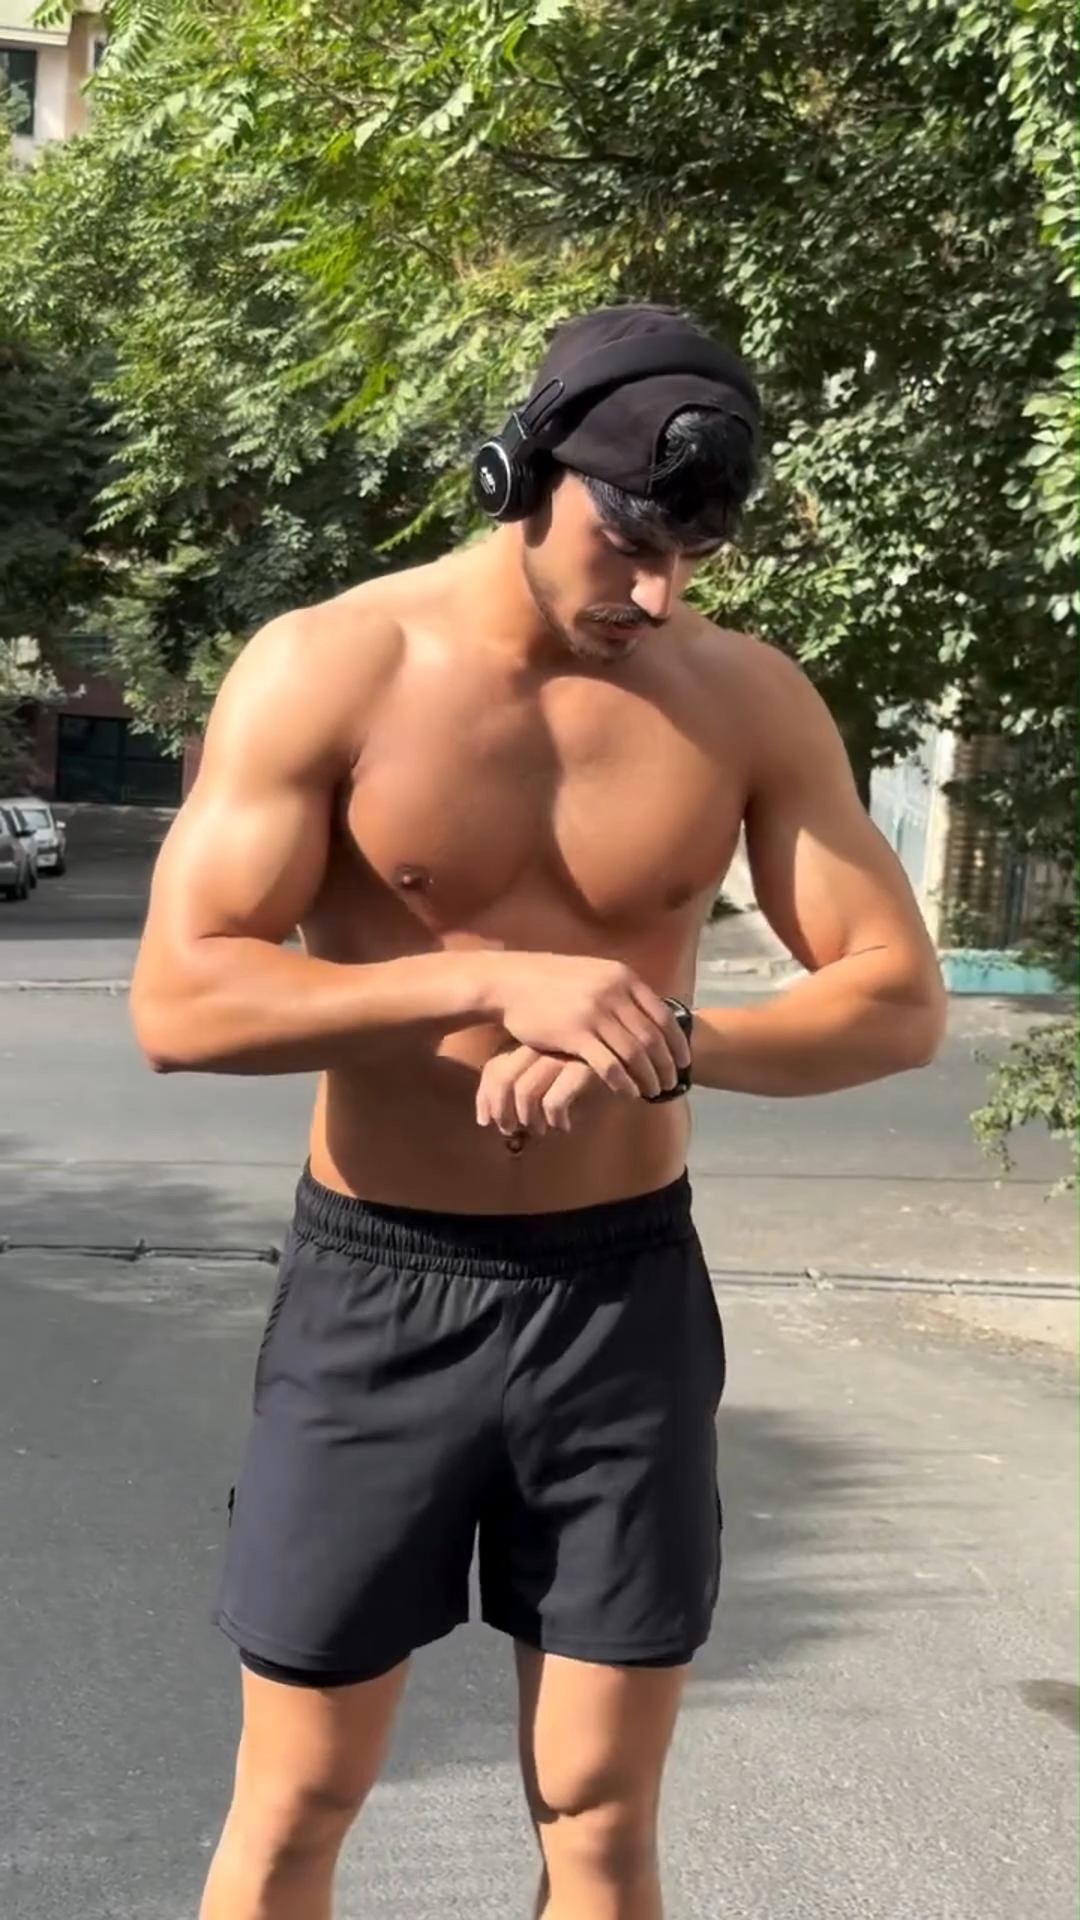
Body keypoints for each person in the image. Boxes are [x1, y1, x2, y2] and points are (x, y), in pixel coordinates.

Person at [130, 303, 946, 1920]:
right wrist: (495, 978)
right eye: (627, 543)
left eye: (693, 558)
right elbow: (182, 1002)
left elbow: (897, 1002)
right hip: (378, 1292)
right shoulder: (331, 666)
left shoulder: (743, 700)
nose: (657, 594)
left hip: (619, 1302)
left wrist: (660, 1040)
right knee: (296, 1805)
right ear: (521, 478)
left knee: (598, 1817)